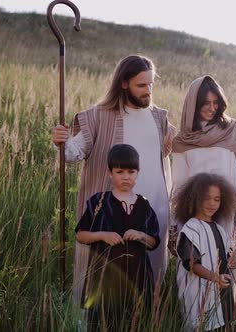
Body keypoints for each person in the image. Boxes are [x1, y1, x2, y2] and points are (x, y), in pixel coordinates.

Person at [52, 55, 175, 303]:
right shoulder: (98, 116)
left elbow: (183, 145)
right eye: (142, 85)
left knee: (147, 278)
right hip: (111, 215)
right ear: (123, 83)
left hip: (152, 213)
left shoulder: (159, 118)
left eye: (151, 84)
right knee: (103, 279)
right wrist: (60, 141)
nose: (148, 91)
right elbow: (73, 153)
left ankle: (144, 321)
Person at [170, 75, 236, 249]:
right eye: (206, 103)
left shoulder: (232, 130)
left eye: (216, 102)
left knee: (228, 267)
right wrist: (175, 224)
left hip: (227, 213)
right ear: (193, 104)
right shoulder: (182, 141)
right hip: (195, 215)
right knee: (197, 268)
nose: (212, 108)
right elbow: (179, 184)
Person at [75, 144, 160, 331]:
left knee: (135, 322)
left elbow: (154, 241)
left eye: (131, 171)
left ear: (138, 173)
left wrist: (140, 235)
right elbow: (81, 235)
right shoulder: (99, 201)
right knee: (104, 322)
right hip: (104, 278)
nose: (126, 177)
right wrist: (102, 235)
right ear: (110, 173)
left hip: (136, 278)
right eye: (120, 171)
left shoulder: (144, 206)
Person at [173, 173, 236, 331]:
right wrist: (215, 277)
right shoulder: (190, 229)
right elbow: (191, 264)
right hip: (199, 295)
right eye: (206, 198)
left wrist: (232, 261)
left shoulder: (220, 229)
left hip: (222, 293)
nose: (212, 203)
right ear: (194, 198)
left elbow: (226, 259)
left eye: (217, 199)